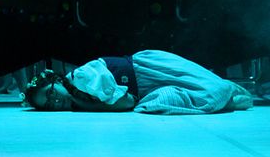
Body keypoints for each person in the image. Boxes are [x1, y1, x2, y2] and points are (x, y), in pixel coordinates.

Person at [22, 50, 254, 114]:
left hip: (149, 70)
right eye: (48, 104)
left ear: (56, 81)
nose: (55, 101)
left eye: (51, 93)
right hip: (147, 87)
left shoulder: (81, 77)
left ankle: (231, 92)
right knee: (192, 98)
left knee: (212, 88)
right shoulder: (75, 97)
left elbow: (124, 102)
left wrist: (80, 103)